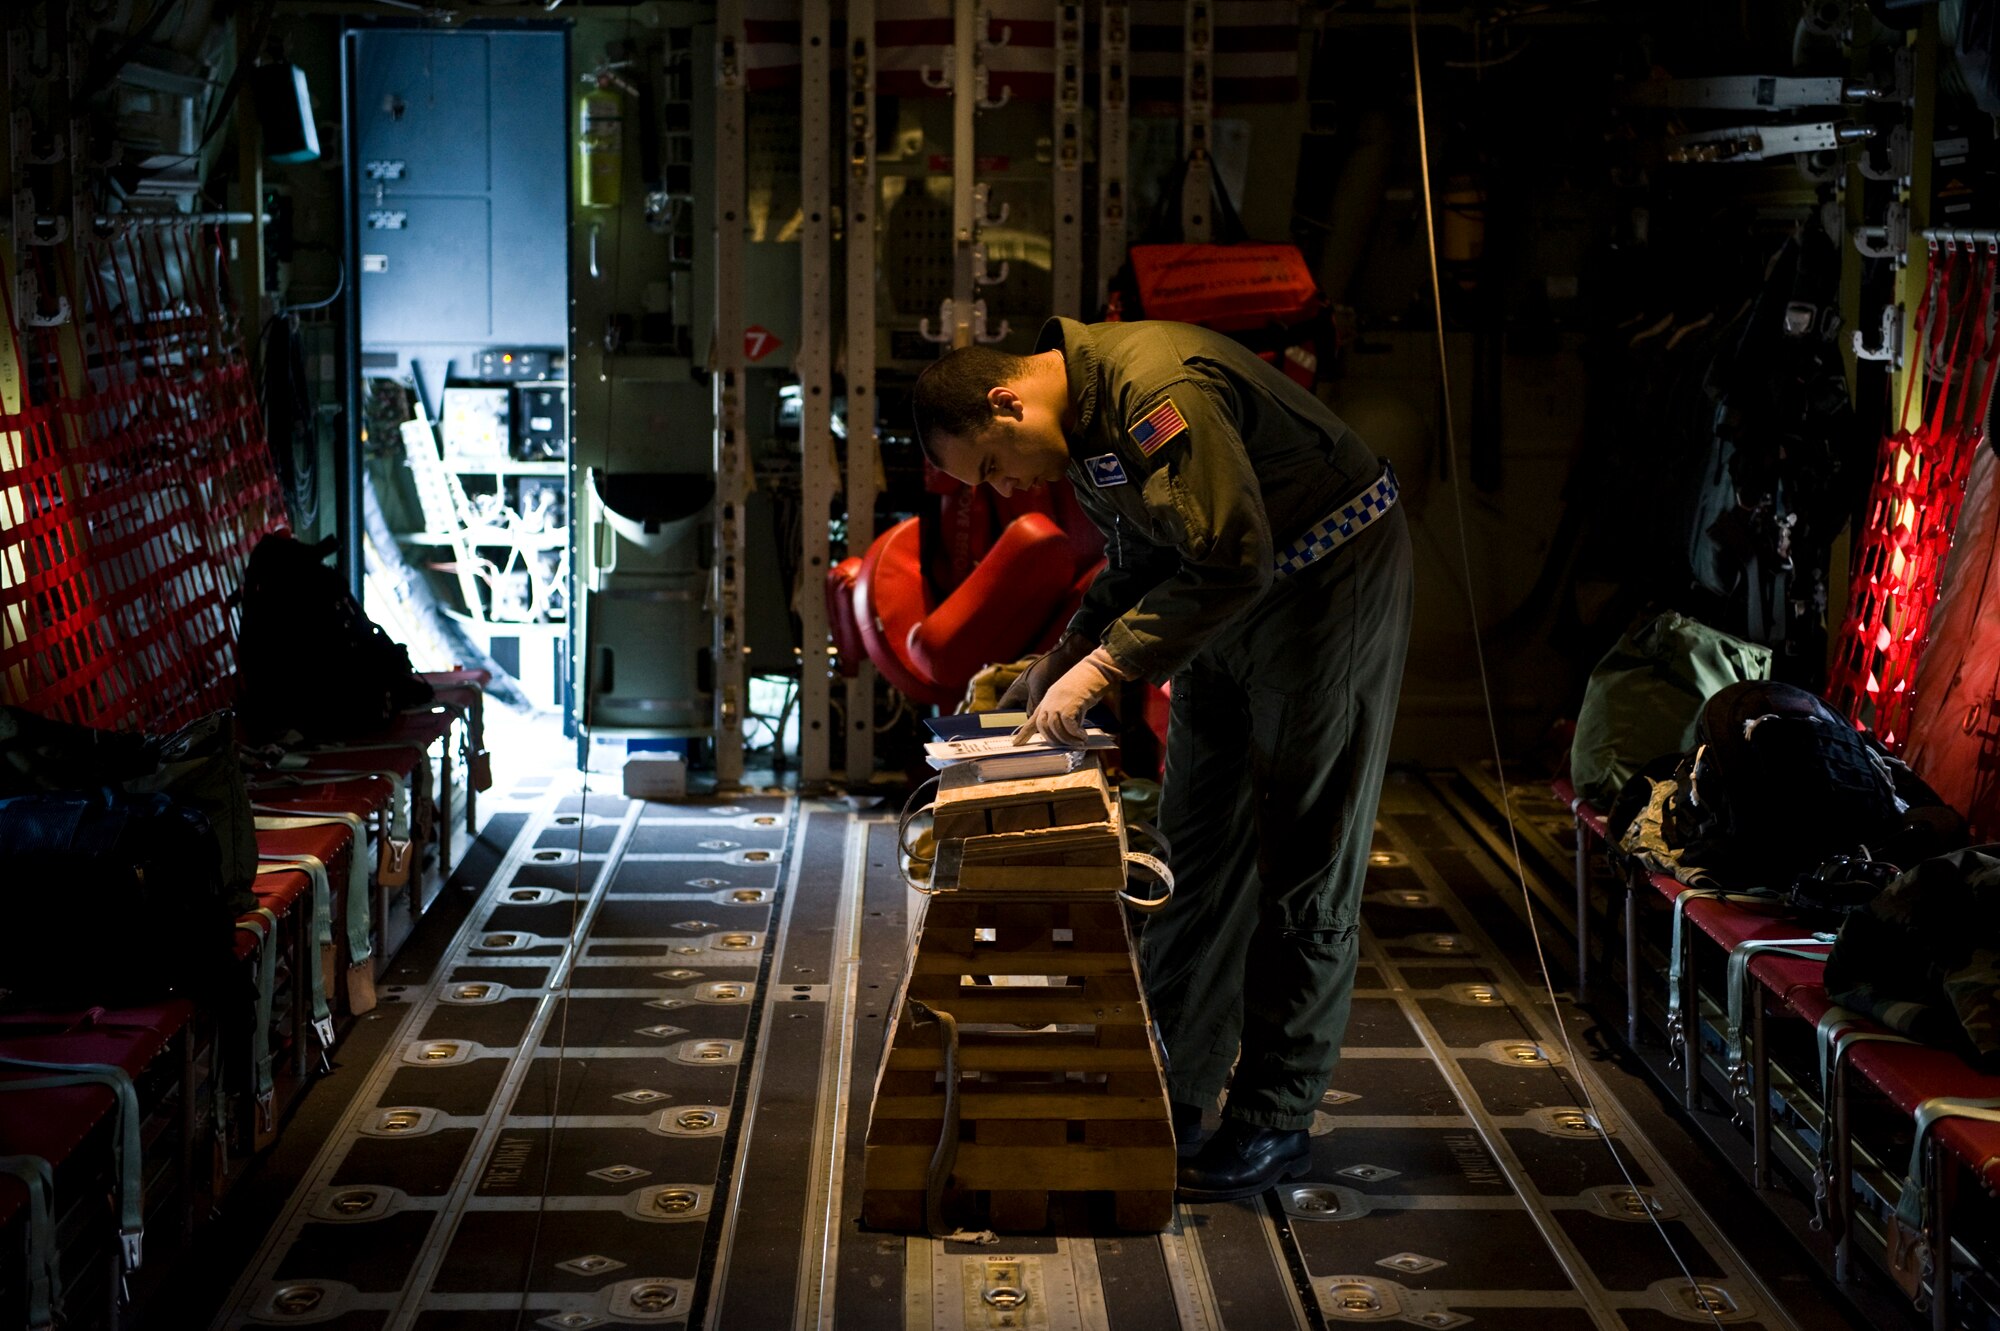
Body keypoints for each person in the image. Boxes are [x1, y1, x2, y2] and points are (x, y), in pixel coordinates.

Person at [912, 317, 1414, 1201]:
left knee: (1304, 856)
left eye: (993, 465)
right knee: (1193, 849)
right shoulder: (1088, 427)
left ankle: (1274, 1119)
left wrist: (1107, 665)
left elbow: (1233, 552)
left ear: (1007, 400)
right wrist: (1062, 657)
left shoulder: (1156, 389)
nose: (1009, 487)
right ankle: (1172, 1090)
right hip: (1222, 603)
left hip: (1325, 589)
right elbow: (1146, 555)